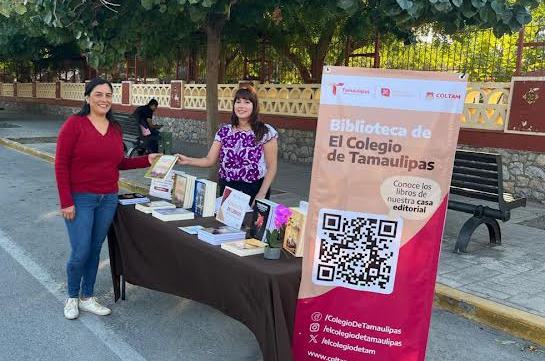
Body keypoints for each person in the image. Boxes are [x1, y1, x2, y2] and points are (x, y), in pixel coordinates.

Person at [55, 78, 161, 320]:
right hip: (81, 198)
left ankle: (87, 297)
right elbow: (61, 165)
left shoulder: (114, 128)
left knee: (94, 249)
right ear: (87, 97)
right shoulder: (75, 125)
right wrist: (66, 202)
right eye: (99, 94)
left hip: (108, 199)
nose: (104, 99)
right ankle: (72, 296)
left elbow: (119, 162)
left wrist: (147, 160)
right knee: (80, 250)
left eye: (108, 95)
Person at [176, 86, 278, 205]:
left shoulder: (265, 132)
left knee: (250, 223)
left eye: (247, 102)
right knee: (225, 224)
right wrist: (187, 160)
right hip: (227, 188)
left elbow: (272, 167)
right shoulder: (224, 132)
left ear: (254, 106)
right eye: (238, 102)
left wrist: (261, 194)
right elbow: (209, 160)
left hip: (254, 190)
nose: (241, 106)